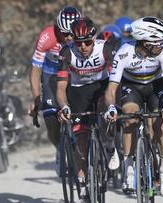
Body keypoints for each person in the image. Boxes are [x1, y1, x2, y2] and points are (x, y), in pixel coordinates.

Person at [104, 16, 163, 196]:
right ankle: (129, 168)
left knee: (160, 124)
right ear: (145, 43)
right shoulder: (124, 53)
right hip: (131, 87)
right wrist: (111, 107)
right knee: (129, 118)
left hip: (155, 85)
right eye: (158, 42)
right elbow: (111, 88)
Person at [56, 16, 119, 198]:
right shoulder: (67, 53)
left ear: (94, 39)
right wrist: (64, 106)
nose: (83, 47)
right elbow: (61, 88)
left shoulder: (105, 49)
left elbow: (115, 80)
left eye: (87, 42)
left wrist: (113, 105)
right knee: (80, 139)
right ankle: (82, 180)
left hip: (101, 88)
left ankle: (109, 145)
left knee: (106, 112)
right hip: (77, 92)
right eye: (78, 43)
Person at [28, 6, 81, 176]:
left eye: (71, 33)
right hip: (51, 75)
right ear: (57, 28)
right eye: (65, 33)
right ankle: (59, 148)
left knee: (80, 113)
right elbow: (35, 70)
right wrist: (36, 98)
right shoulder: (46, 36)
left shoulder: (81, 35)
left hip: (73, 75)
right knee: (51, 120)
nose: (69, 37)